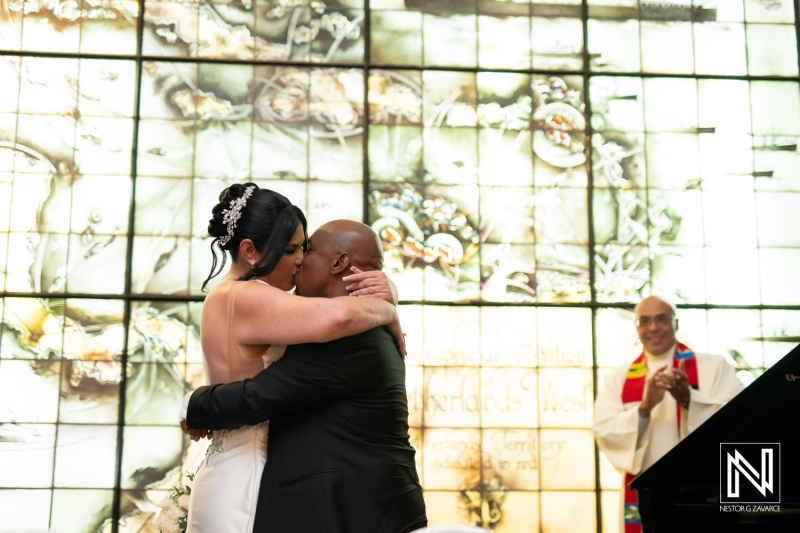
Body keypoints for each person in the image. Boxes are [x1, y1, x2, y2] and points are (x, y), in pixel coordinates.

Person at [184, 183, 407, 533]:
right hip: (248, 473)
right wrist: (388, 305)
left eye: (303, 248)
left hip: (245, 462)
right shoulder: (245, 296)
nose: (300, 258)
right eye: (290, 250)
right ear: (250, 250)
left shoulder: (237, 296)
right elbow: (338, 317)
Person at [592, 295, 745, 533]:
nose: (653, 328)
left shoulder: (714, 367)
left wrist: (688, 399)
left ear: (676, 323)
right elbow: (604, 430)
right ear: (637, 328)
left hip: (704, 489)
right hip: (647, 494)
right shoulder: (619, 379)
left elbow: (739, 420)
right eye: (644, 321)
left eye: (661, 319)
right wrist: (644, 408)